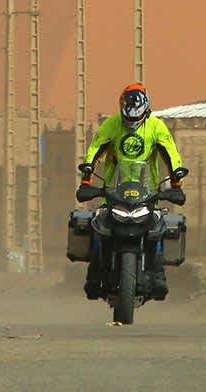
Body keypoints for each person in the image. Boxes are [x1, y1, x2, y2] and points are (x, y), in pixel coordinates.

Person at [79, 83, 185, 298]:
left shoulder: (156, 126)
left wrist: (176, 182)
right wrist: (86, 178)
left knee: (157, 226)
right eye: (128, 118)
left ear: (146, 112)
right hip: (113, 191)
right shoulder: (112, 124)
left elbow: (170, 152)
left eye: (137, 118)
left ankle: (157, 274)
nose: (132, 123)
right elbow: (95, 149)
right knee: (99, 224)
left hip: (147, 192)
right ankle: (94, 273)